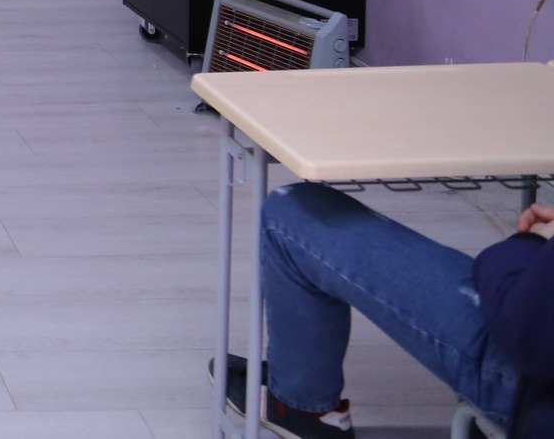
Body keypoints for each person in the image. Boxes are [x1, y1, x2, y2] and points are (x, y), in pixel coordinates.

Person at [217, 182, 554, 438]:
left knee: (291, 211)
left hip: (528, 378)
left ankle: (304, 410)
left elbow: (527, 326)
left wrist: (530, 245)